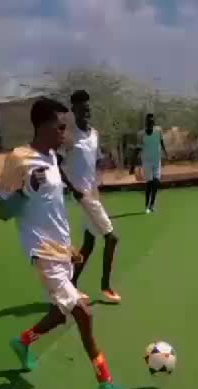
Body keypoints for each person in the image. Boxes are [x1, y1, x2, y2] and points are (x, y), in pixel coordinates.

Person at [0, 97, 126, 389]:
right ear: (42, 126)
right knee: (83, 313)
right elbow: (1, 211)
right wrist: (24, 191)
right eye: (60, 127)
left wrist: (69, 249)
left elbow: (52, 209)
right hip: (41, 253)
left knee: (59, 313)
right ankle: (105, 382)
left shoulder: (52, 158)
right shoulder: (19, 159)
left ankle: (23, 342)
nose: (65, 134)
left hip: (60, 251)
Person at [60, 90, 121, 304]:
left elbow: (96, 162)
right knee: (112, 237)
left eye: (88, 108)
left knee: (89, 243)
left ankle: (70, 285)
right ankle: (106, 286)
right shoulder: (68, 136)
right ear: (73, 109)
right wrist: (72, 189)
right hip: (83, 196)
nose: (86, 112)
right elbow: (56, 164)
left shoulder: (94, 133)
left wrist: (107, 162)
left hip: (94, 193)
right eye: (81, 108)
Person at [138, 113, 167, 213]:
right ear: (146, 122)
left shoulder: (158, 131)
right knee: (149, 183)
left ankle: (152, 204)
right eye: (149, 121)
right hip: (146, 161)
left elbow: (161, 142)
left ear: (154, 122)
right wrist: (133, 165)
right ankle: (147, 205)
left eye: (152, 121)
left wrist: (165, 153)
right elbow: (138, 148)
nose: (151, 122)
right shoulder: (141, 134)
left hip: (156, 161)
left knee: (156, 182)